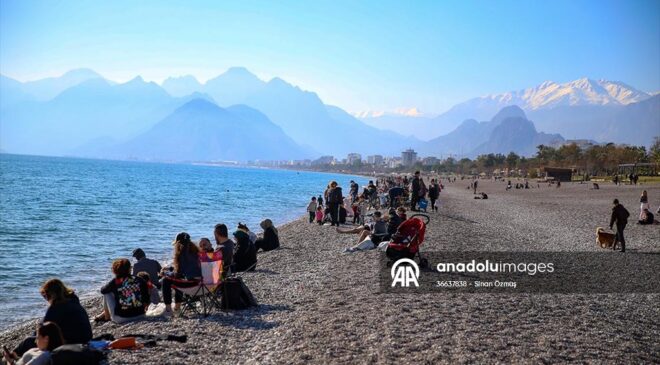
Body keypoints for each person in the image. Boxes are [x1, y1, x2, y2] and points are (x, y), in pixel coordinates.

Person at [11, 279, 92, 358]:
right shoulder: (73, 300)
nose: (46, 299)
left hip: (73, 342)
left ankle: (12, 356)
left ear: (52, 295)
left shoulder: (56, 307)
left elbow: (42, 330)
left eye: (45, 296)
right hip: (87, 338)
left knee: (28, 341)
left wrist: (35, 337)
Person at [96, 258, 149, 323]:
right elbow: (146, 297)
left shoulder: (115, 281)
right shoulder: (139, 279)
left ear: (115, 270)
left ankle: (107, 317)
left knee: (107, 293)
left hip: (122, 318)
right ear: (130, 268)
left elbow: (102, 290)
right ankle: (105, 315)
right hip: (141, 315)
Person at [161, 232, 202, 315]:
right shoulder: (197, 252)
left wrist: (165, 274)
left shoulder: (182, 253)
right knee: (178, 279)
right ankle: (177, 307)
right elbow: (188, 267)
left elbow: (178, 273)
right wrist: (171, 269)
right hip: (202, 284)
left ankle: (168, 309)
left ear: (178, 244)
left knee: (165, 280)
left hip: (191, 285)